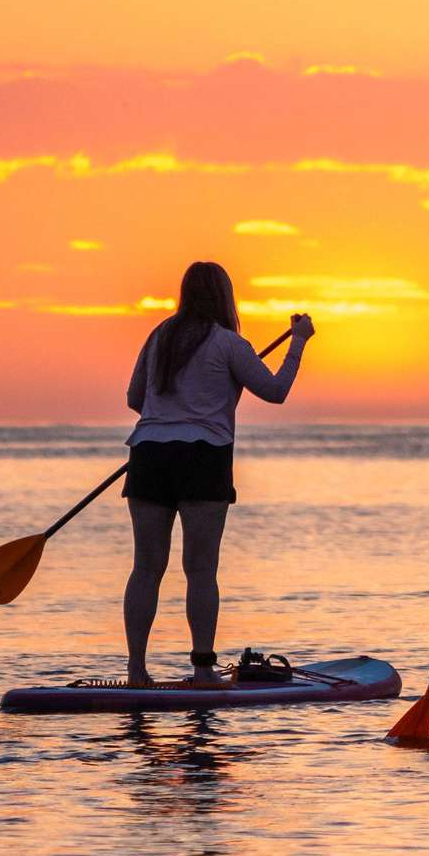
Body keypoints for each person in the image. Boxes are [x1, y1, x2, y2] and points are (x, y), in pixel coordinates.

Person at [122, 262, 313, 686]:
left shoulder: (159, 337)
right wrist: (298, 342)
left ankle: (136, 670)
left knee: (146, 568)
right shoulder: (230, 344)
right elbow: (277, 392)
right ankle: (203, 669)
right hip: (203, 457)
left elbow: (136, 398)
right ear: (225, 298)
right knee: (201, 569)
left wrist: (170, 415)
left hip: (148, 453)